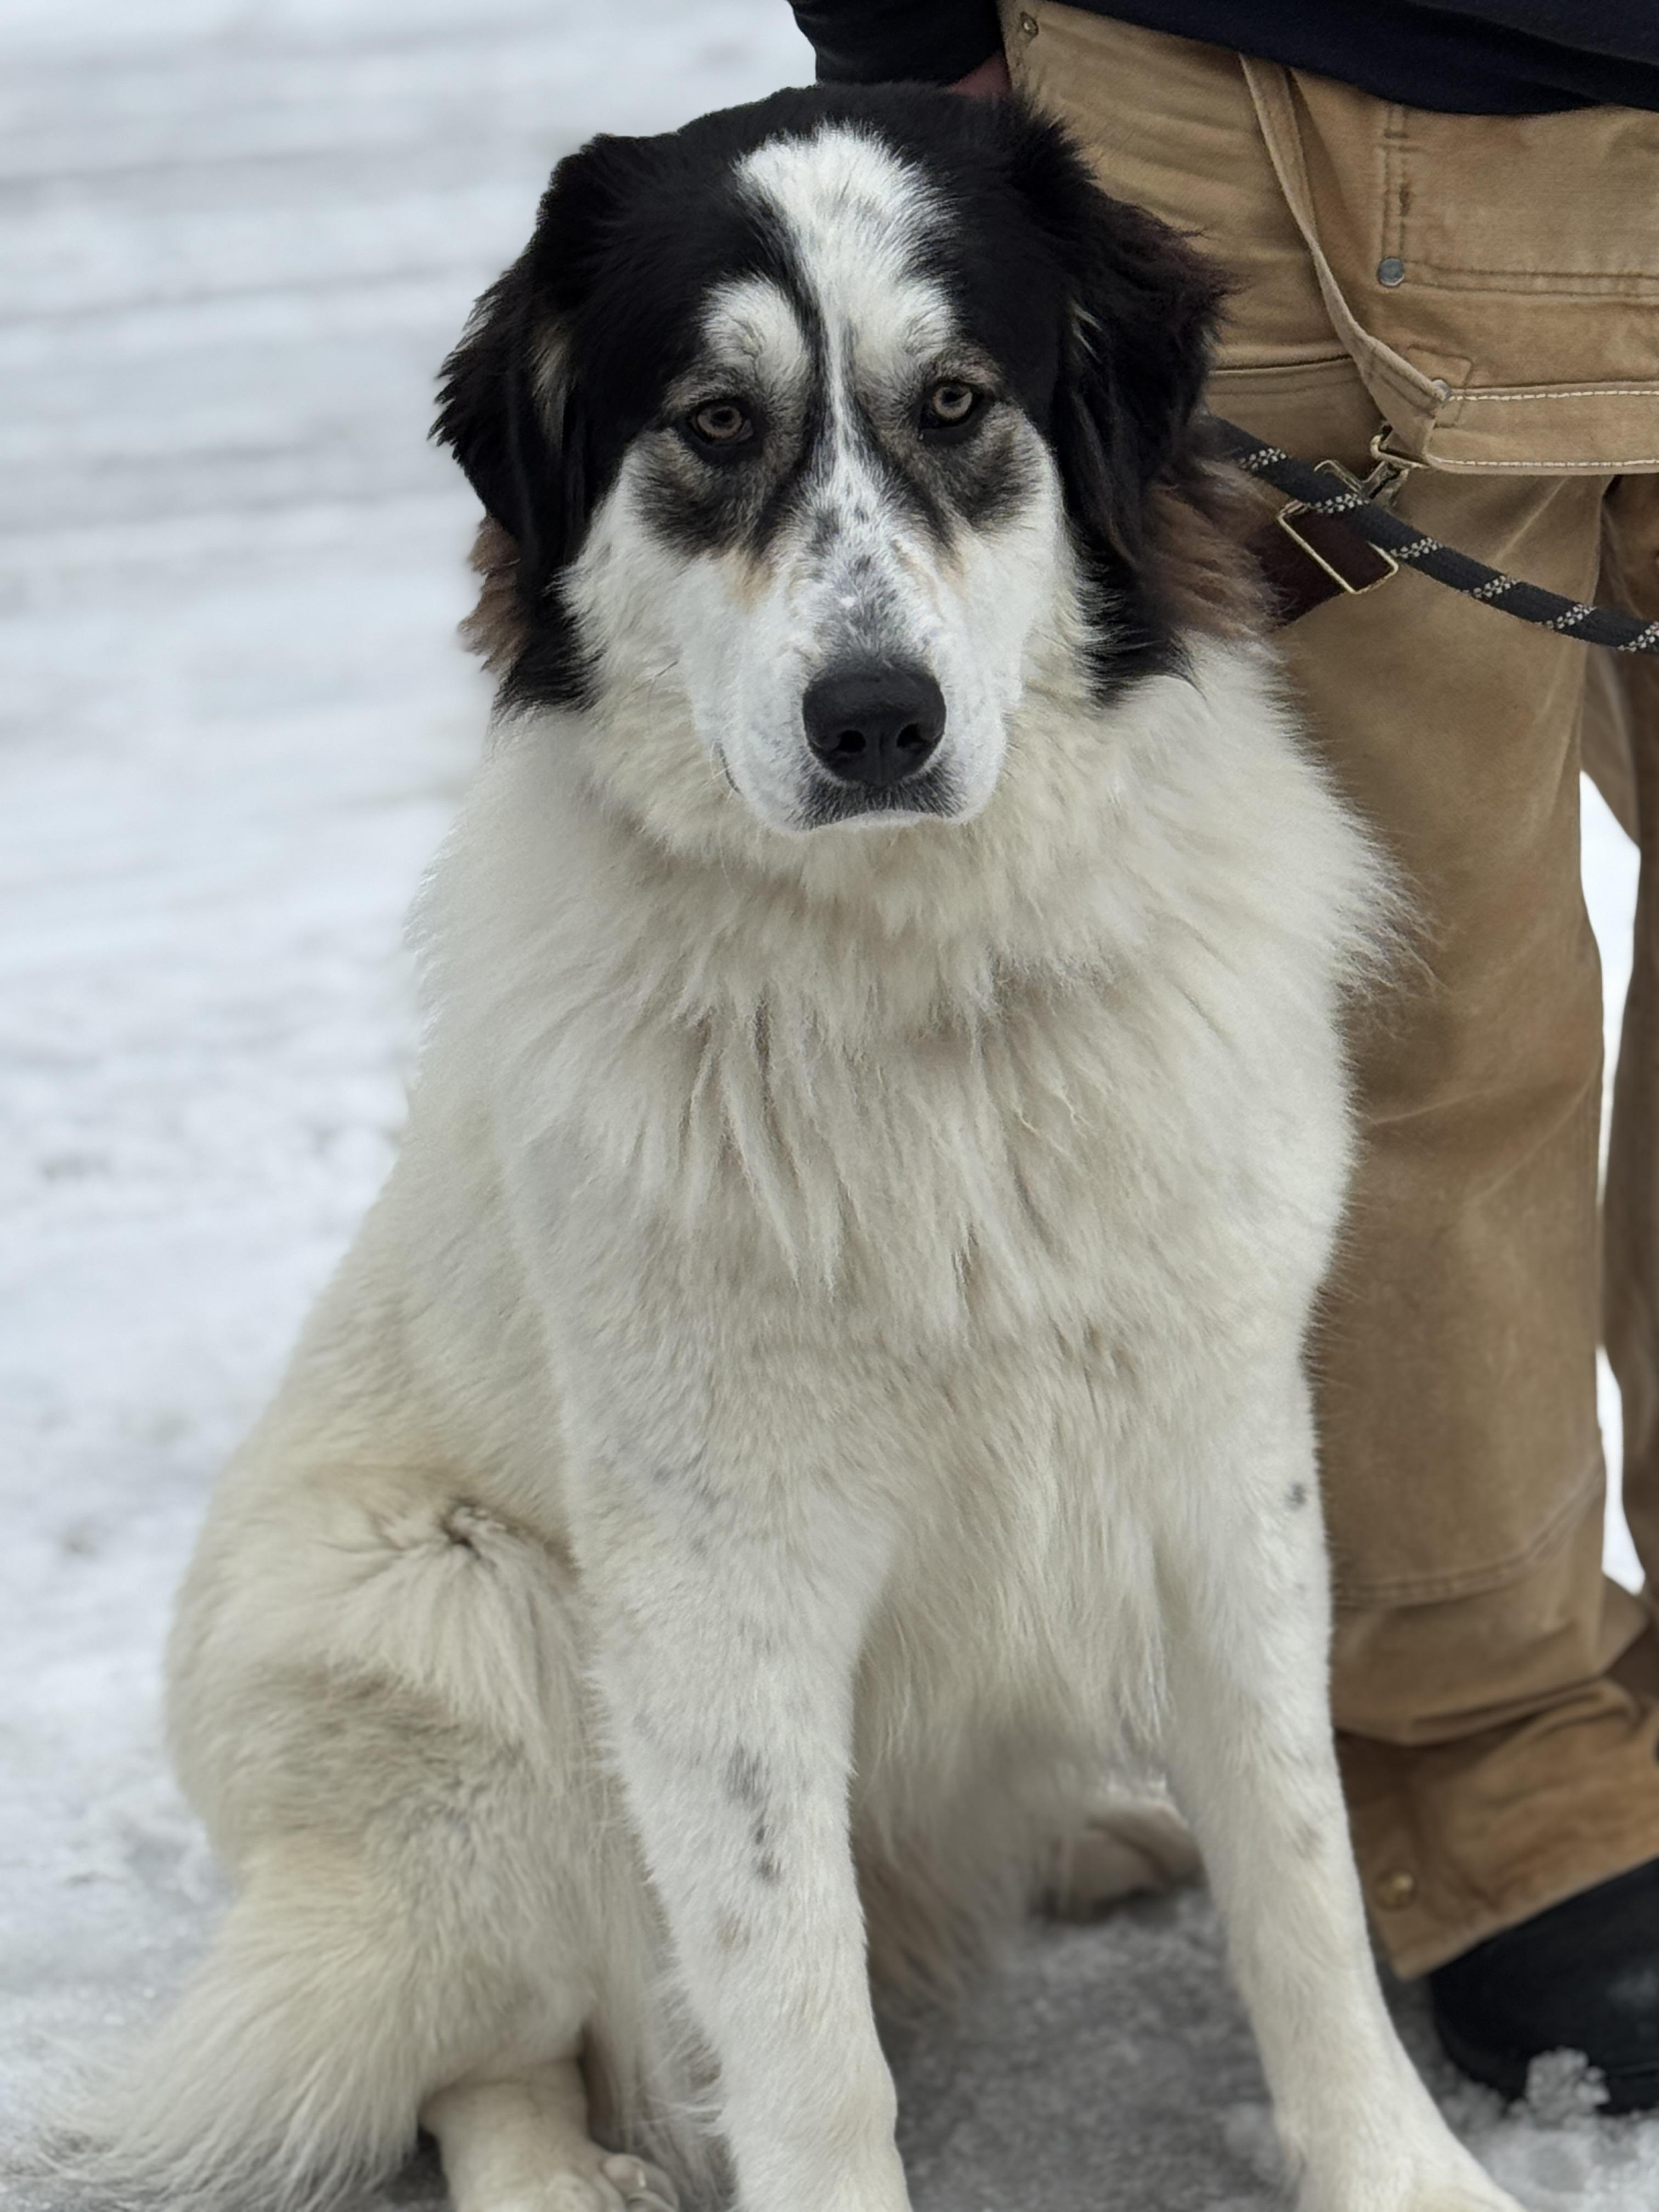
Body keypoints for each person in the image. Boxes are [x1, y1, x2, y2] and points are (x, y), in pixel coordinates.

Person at [789, 0, 1659, 2112]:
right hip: (1326, 105)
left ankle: (1507, 1761)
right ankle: (1500, 1773)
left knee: (1428, 1033)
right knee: (1427, 1021)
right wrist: (911, 39)